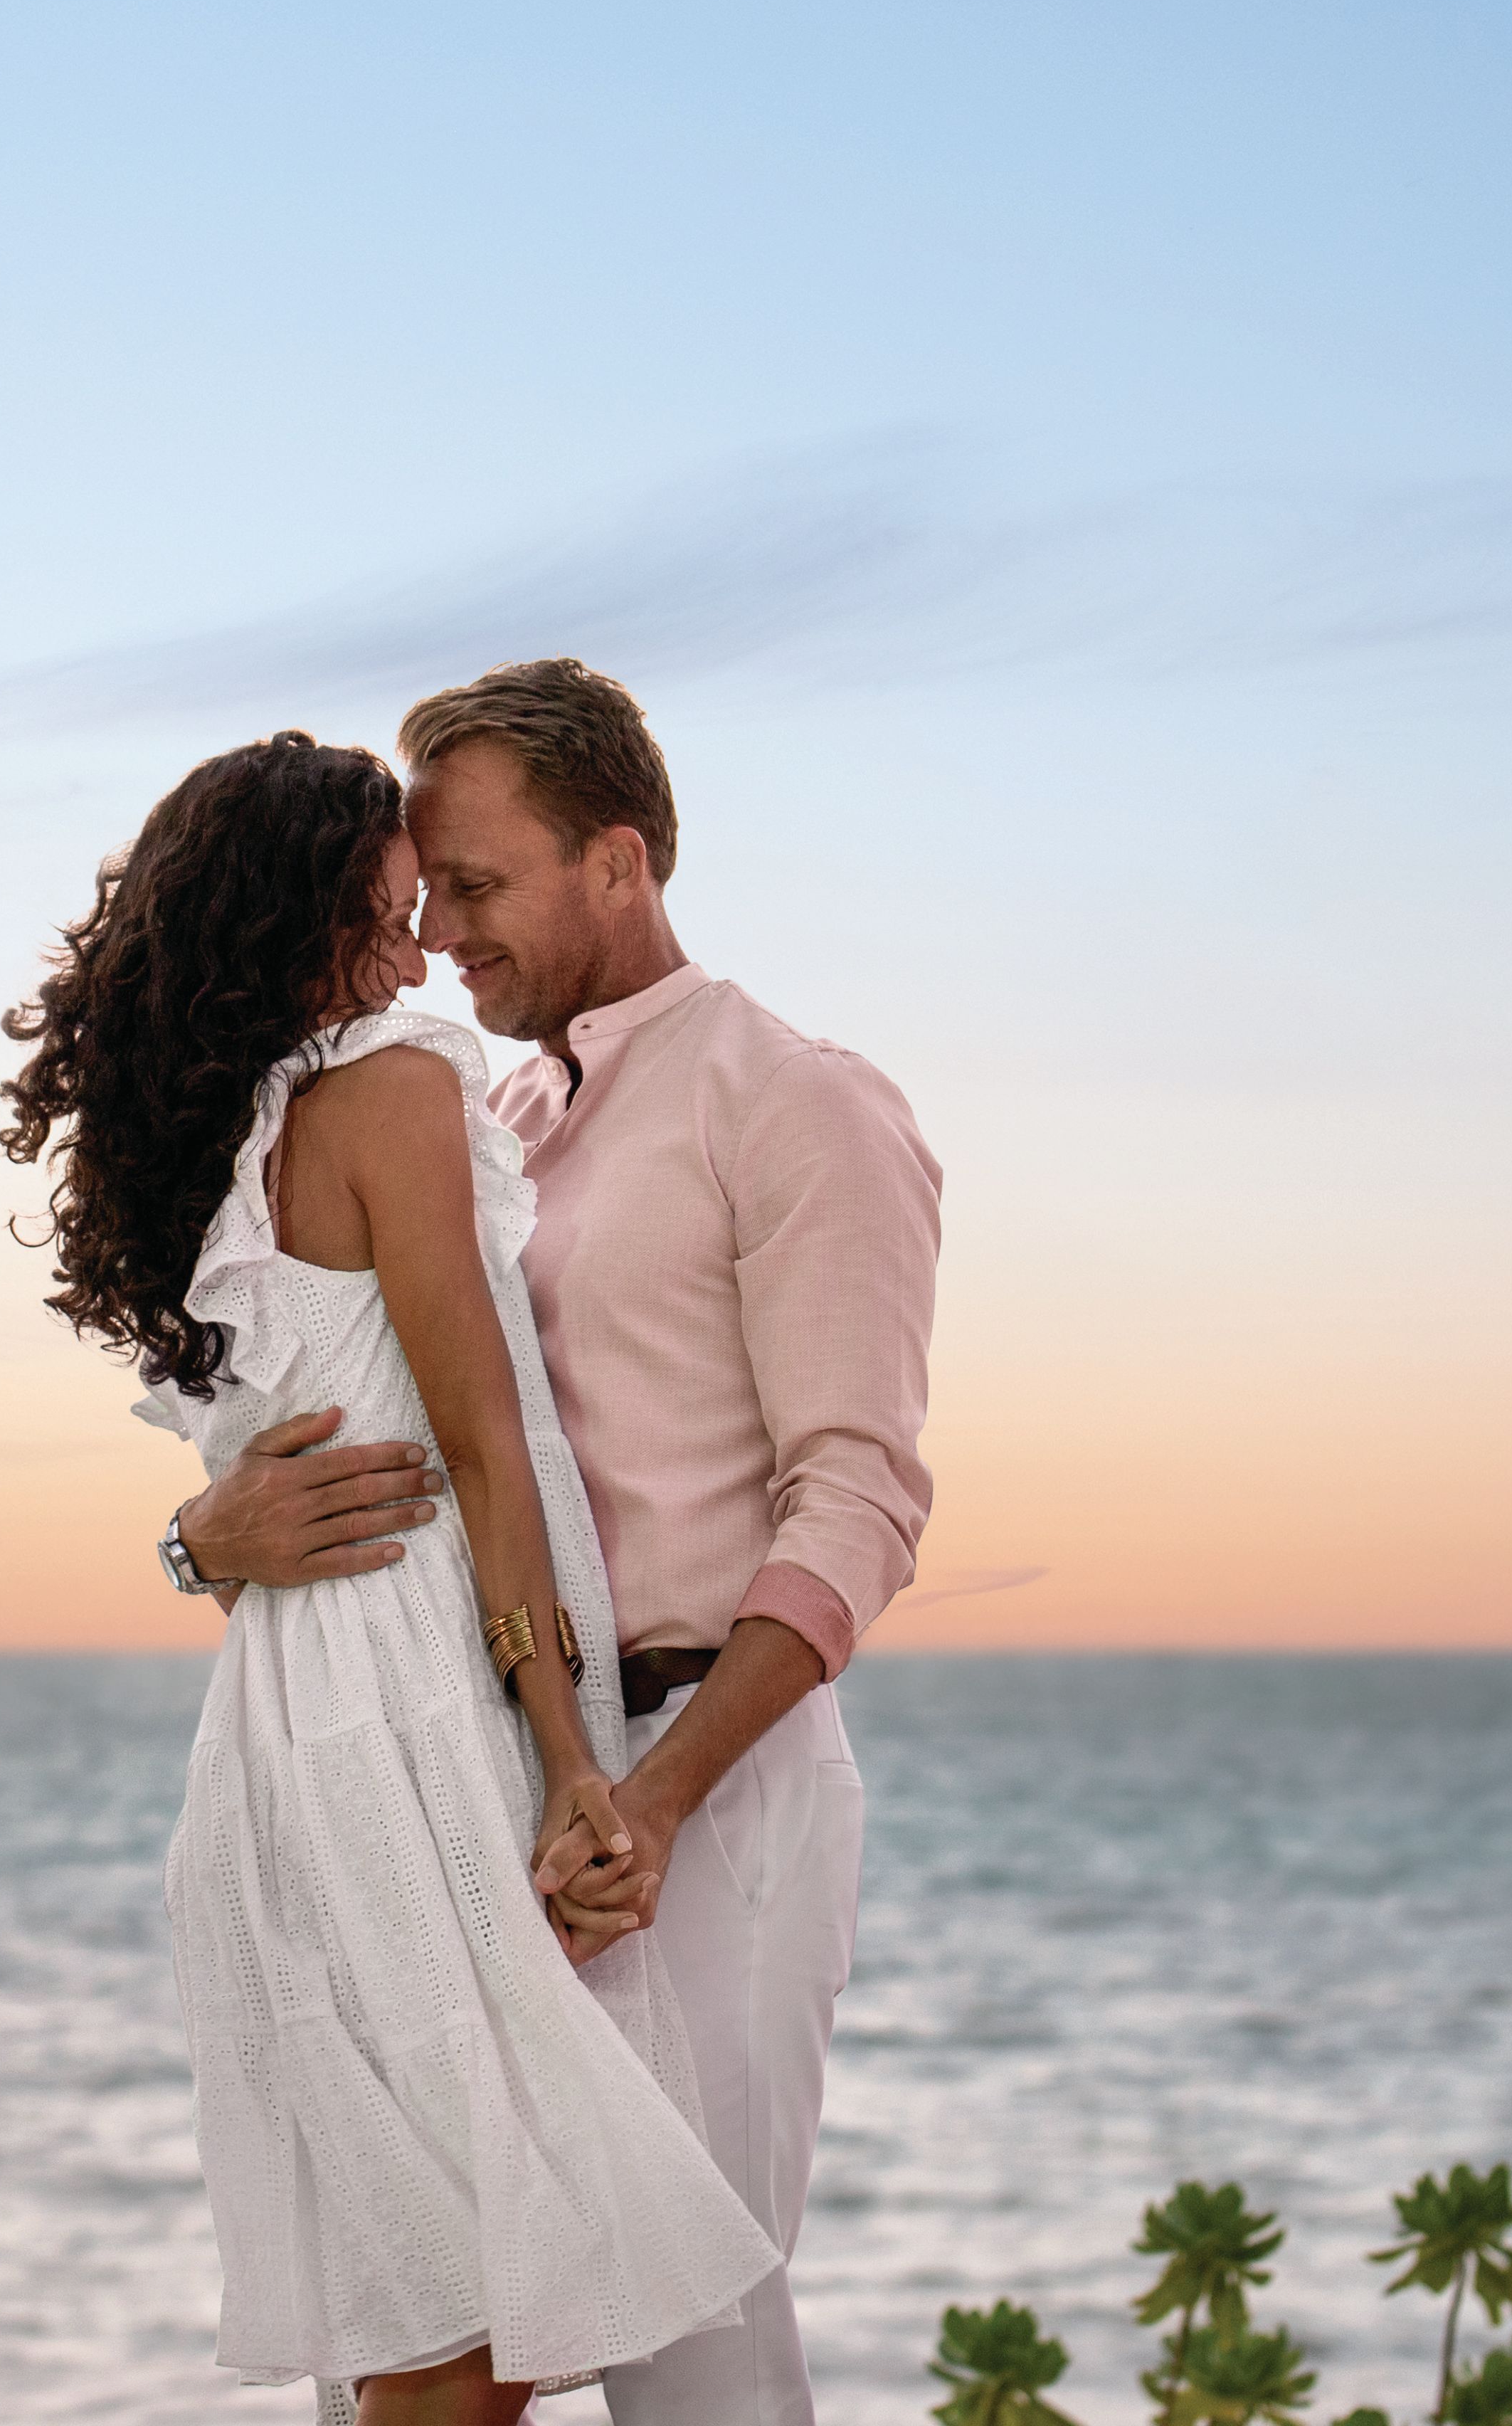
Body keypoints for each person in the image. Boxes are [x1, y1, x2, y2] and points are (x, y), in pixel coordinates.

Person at [174, 660, 943, 2426]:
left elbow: (858, 1503)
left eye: (479, 885)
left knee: (697, 2356)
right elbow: (378, 1444)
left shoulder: (793, 1099)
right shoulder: (486, 1120)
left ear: (620, 858)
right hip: (490, 1784)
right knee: (438, 2315)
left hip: (699, 1780)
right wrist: (202, 1539)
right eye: (424, 890)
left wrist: (651, 1804)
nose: (438, 932)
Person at [0, 730, 778, 2426]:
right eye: (387, 910)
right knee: (472, 2325)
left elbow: (255, 1483)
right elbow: (489, 1450)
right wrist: (576, 1757)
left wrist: (196, 1543)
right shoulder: (396, 1089)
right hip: (412, 1729)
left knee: (429, 2319)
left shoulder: (236, 1137)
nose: (424, 947)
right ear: (301, 925)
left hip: (290, 1744)